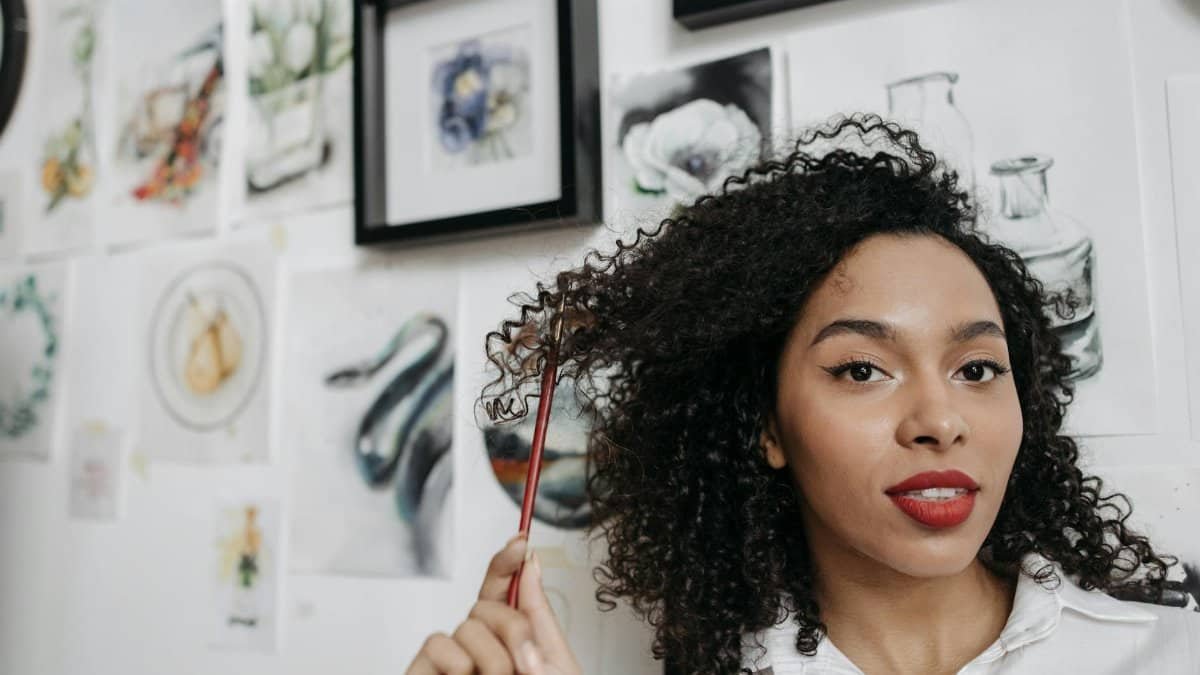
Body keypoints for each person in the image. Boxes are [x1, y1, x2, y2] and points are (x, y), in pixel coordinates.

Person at [405, 115, 1200, 675]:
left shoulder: (1170, 652)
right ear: (765, 425)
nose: (939, 421)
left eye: (977, 369)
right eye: (862, 369)